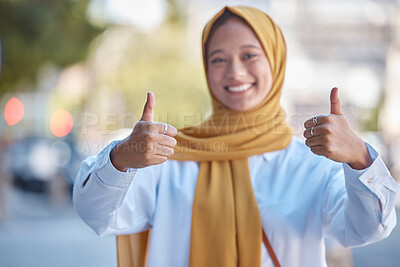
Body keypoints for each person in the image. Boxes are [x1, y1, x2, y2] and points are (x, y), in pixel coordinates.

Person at [73, 6, 398, 267]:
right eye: (218, 59)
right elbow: (98, 215)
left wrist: (359, 157)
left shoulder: (309, 167)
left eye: (249, 55)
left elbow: (367, 229)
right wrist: (120, 159)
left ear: (275, 59)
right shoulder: (169, 158)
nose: (235, 71)